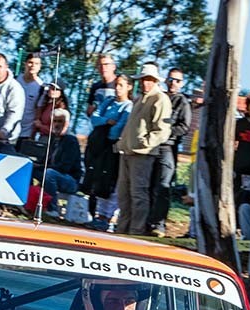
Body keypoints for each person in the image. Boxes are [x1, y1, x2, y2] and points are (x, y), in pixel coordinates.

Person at [114, 62, 171, 236]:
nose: (145, 83)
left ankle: (136, 232)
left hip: (142, 155)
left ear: (155, 81)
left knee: (139, 194)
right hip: (127, 152)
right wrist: (123, 144)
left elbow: (162, 130)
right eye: (143, 79)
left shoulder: (160, 99)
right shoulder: (139, 98)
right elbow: (132, 125)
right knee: (123, 195)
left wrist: (143, 143)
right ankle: (122, 229)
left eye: (149, 80)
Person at [81, 74, 131, 230]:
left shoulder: (128, 107)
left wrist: (107, 127)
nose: (117, 88)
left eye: (121, 85)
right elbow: (94, 118)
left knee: (110, 182)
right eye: (116, 84)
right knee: (98, 179)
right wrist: (106, 122)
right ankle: (99, 215)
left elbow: (118, 128)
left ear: (129, 87)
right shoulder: (108, 102)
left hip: (113, 149)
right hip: (99, 147)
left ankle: (108, 217)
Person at [147, 67, 191, 236]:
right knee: (149, 185)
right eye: (171, 79)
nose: (173, 83)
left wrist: (166, 132)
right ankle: (147, 220)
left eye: (177, 80)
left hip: (167, 148)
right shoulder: (159, 97)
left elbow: (184, 127)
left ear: (182, 83)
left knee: (163, 186)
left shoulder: (182, 102)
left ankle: (159, 224)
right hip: (151, 146)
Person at [39, 109, 82, 214]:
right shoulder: (53, 139)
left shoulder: (71, 140)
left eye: (60, 122)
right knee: (30, 170)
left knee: (49, 174)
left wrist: (44, 167)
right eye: (55, 121)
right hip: (55, 173)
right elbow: (44, 160)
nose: (57, 124)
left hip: (70, 180)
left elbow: (64, 167)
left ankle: (52, 208)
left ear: (66, 123)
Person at [16, 52, 43, 144]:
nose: (33, 66)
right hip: (7, 129)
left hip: (25, 133)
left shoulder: (41, 87)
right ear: (25, 64)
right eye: (30, 62)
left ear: (40, 66)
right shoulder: (15, 80)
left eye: (36, 64)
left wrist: (32, 134)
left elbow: (38, 111)